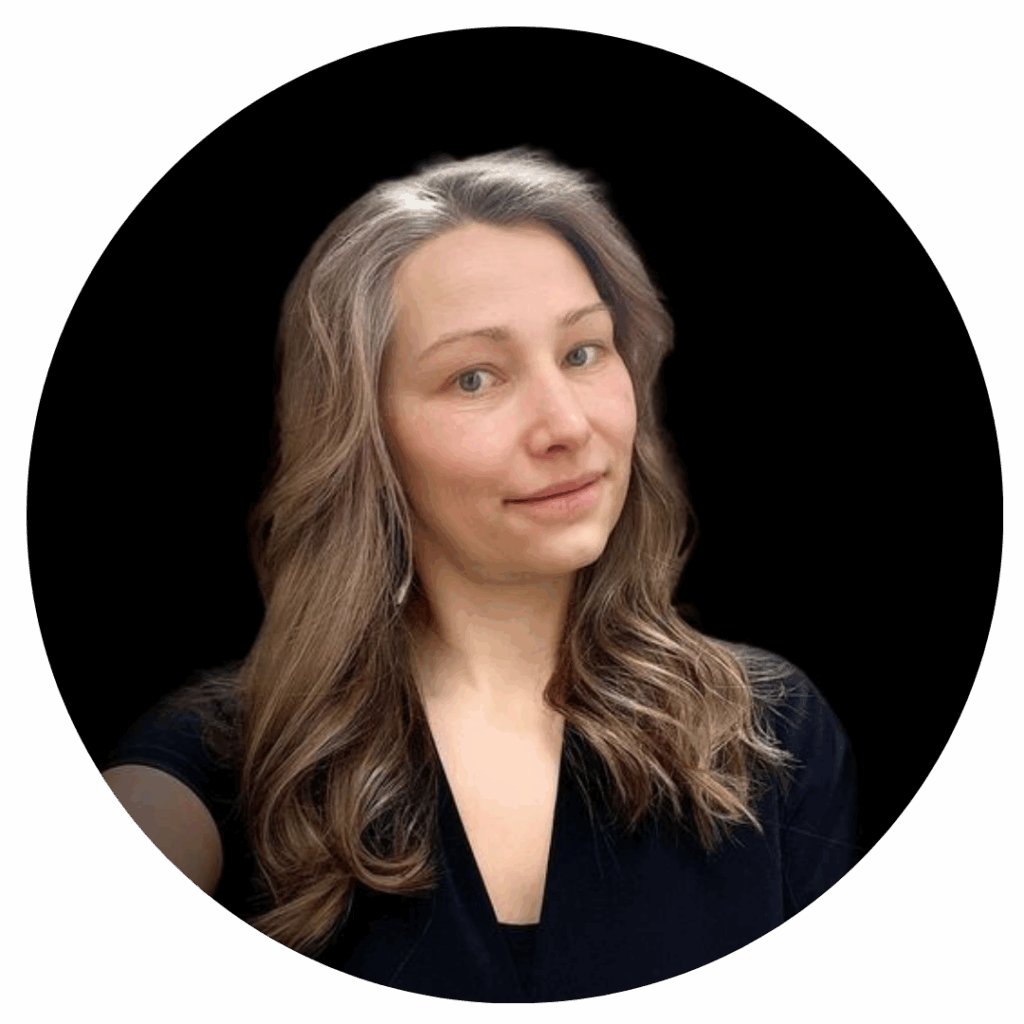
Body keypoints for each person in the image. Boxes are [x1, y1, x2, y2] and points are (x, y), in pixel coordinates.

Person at [101, 146, 861, 1001]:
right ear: (366, 437)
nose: (566, 425)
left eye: (583, 352)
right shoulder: (227, 754)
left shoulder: (773, 730)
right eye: (474, 378)